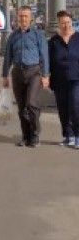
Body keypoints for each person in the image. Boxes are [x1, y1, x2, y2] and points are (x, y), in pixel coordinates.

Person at [1, 6, 50, 147]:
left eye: (26, 16)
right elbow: (8, 57)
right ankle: (25, 136)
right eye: (21, 16)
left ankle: (35, 134)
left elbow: (44, 56)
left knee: (31, 103)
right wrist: (5, 76)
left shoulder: (38, 35)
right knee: (22, 107)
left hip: (34, 73)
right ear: (17, 18)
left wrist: (45, 76)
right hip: (17, 73)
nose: (23, 19)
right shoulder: (12, 36)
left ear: (31, 18)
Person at [48, 10, 79, 148]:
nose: (66, 25)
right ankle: (68, 136)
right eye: (63, 23)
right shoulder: (54, 41)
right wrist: (46, 77)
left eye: (68, 22)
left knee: (75, 106)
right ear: (59, 24)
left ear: (72, 22)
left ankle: (77, 136)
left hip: (76, 78)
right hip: (59, 79)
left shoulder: (78, 38)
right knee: (62, 108)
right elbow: (49, 60)